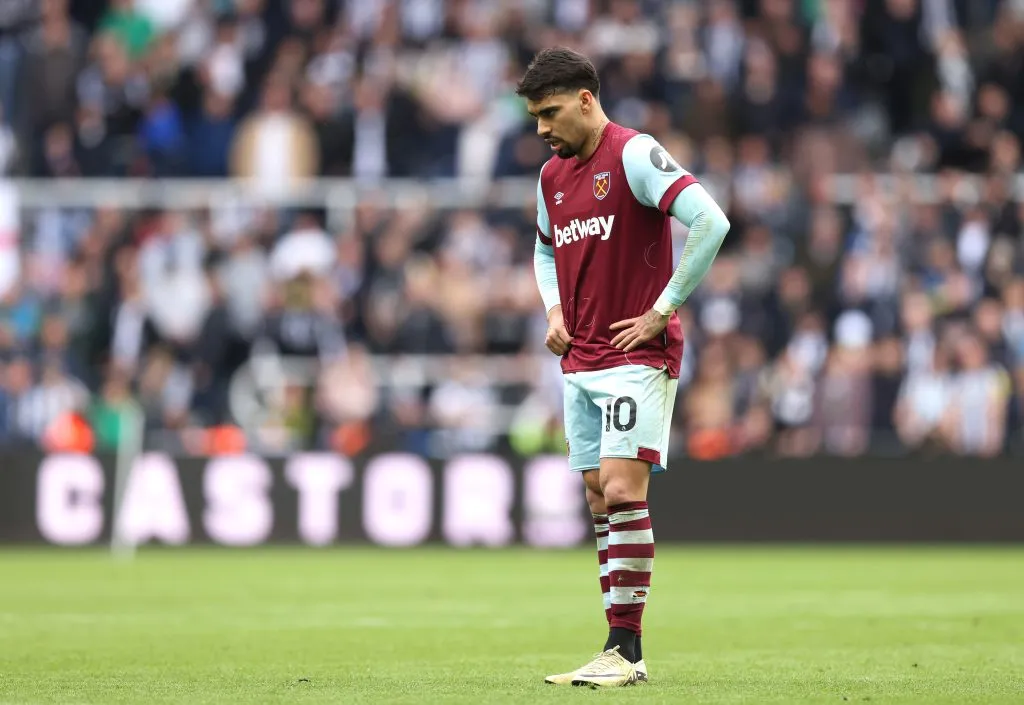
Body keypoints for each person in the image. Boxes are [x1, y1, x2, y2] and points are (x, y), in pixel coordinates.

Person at [519, 47, 730, 688]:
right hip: (580, 356)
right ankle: (616, 648)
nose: (541, 130)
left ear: (586, 100)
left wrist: (663, 310)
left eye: (550, 113)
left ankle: (626, 651)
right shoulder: (551, 178)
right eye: (534, 117)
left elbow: (711, 222)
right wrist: (554, 310)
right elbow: (543, 249)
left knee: (619, 487)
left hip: (636, 352)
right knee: (595, 495)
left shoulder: (633, 154)